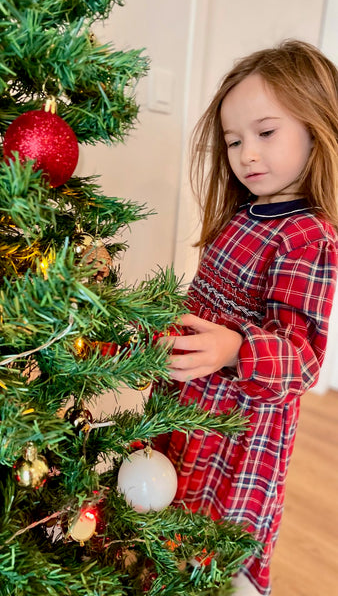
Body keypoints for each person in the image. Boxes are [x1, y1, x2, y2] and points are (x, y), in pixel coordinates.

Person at [155, 40, 338, 595]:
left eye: (265, 133)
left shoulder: (308, 236)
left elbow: (303, 358)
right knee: (168, 506)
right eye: (234, 141)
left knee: (215, 538)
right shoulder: (245, 215)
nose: (246, 155)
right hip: (189, 402)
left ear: (317, 127)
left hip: (240, 430)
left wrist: (237, 349)